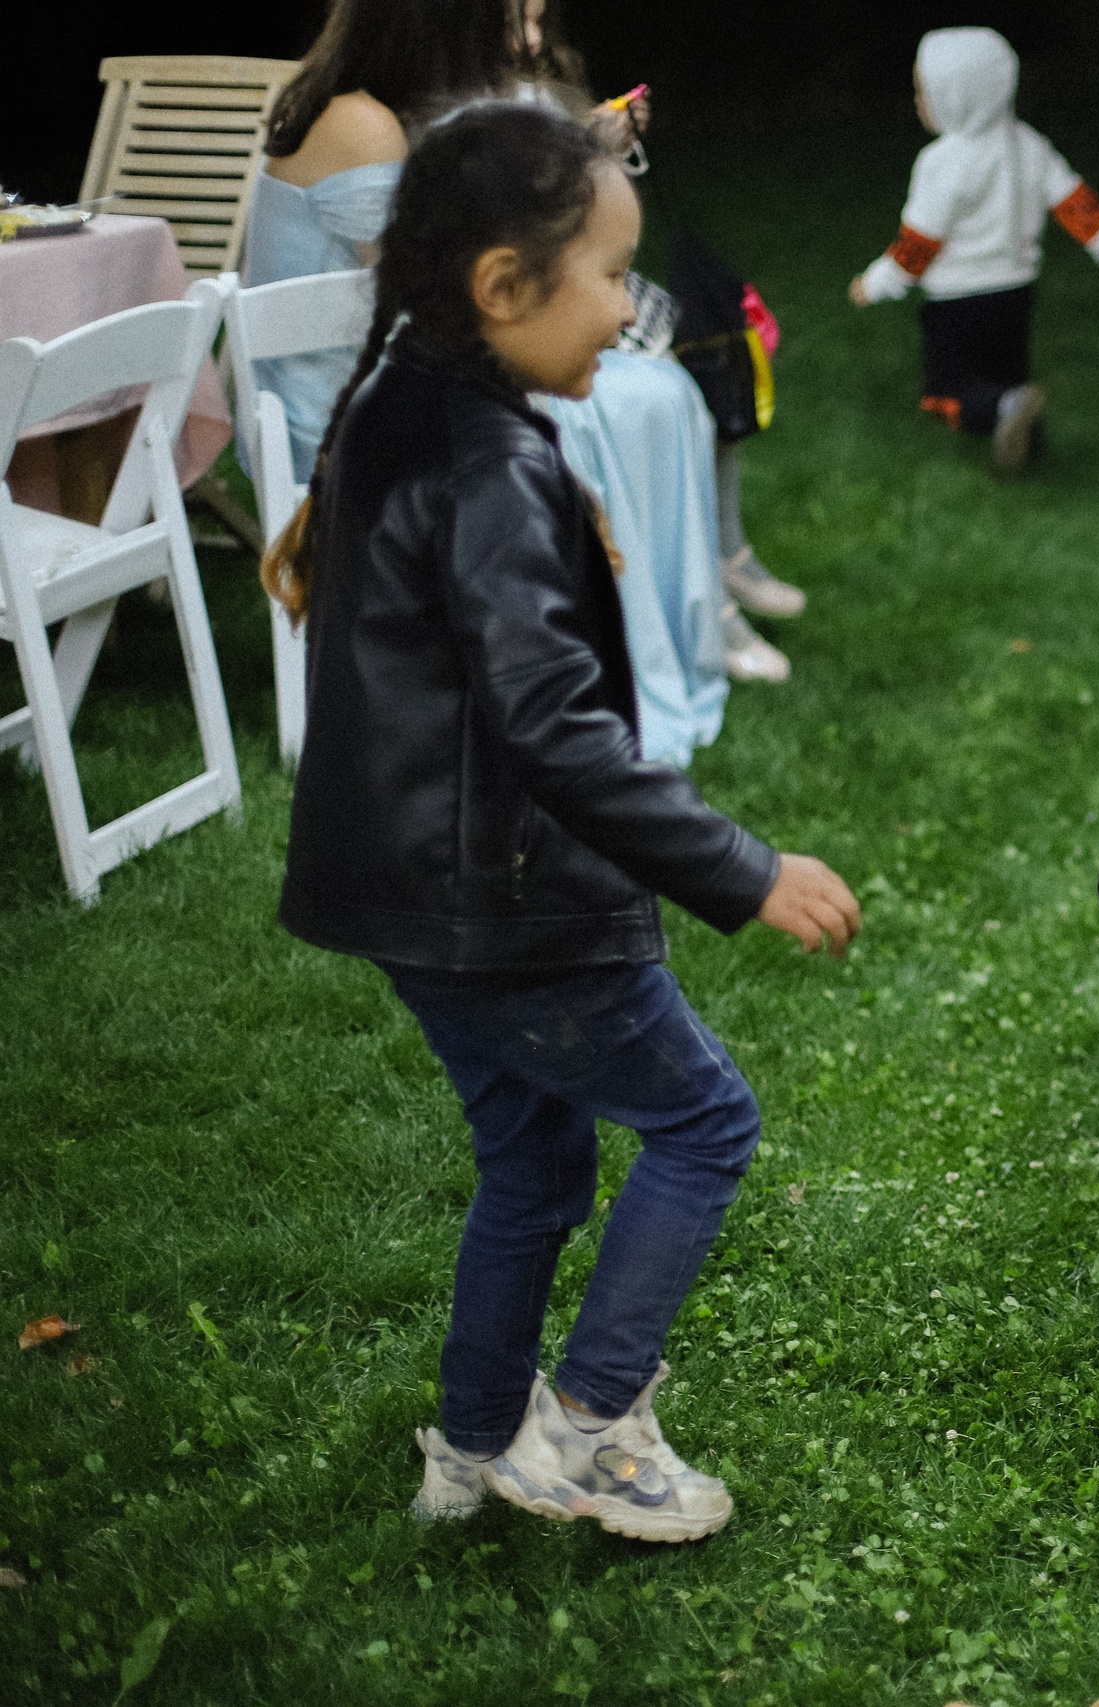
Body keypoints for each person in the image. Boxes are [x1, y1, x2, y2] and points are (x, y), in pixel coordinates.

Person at [263, 101, 861, 1543]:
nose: (629, 308)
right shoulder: (488, 465)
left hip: (407, 895)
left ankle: (471, 1452)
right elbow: (553, 730)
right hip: (507, 897)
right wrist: (745, 868)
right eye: (607, 274)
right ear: (500, 285)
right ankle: (587, 1431)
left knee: (532, 1167)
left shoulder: (399, 396)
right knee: (705, 1120)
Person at [246, 0, 796, 759]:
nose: (515, 42)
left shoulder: (374, 110)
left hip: (391, 378)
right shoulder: (359, 124)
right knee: (618, 401)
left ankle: (649, 637)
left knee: (654, 393)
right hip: (341, 419)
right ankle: (588, 667)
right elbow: (446, 294)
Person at [849, 26, 1099, 473]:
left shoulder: (942, 162)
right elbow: (1078, 206)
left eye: (925, 91)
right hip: (1015, 295)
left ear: (959, 96)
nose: (918, 101)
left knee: (946, 394)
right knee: (1007, 376)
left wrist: (875, 284)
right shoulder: (1030, 145)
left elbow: (920, 242)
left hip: (955, 302)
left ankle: (1007, 411)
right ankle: (1027, 443)